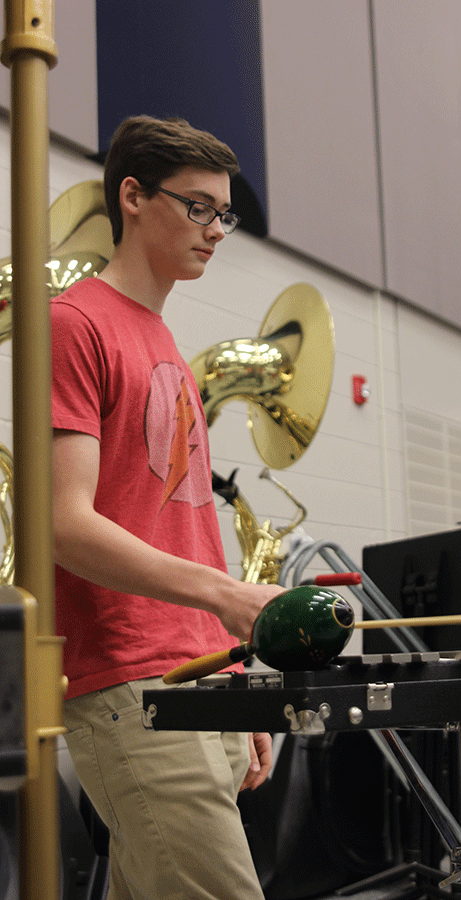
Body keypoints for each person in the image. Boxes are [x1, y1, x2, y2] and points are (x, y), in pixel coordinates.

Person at [51, 115, 284, 900]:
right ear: (133, 196)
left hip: (202, 674)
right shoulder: (75, 324)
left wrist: (242, 675)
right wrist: (228, 598)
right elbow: (66, 525)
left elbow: (193, 535)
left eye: (225, 214)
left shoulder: (168, 348)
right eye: (199, 208)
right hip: (132, 684)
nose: (217, 231)